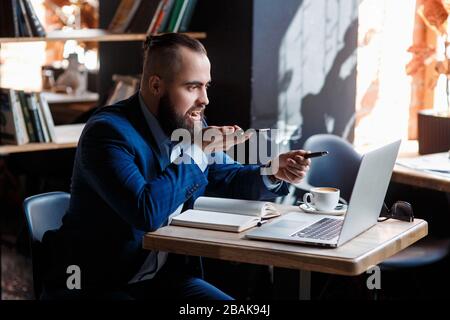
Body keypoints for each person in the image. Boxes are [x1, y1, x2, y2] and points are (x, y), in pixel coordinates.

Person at [41, 33, 311, 300]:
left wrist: (271, 172)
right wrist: (199, 150)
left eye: (206, 86)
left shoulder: (187, 124)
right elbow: (146, 211)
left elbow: (226, 178)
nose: (205, 100)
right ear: (156, 85)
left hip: (164, 281)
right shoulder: (107, 133)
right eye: (193, 87)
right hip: (94, 284)